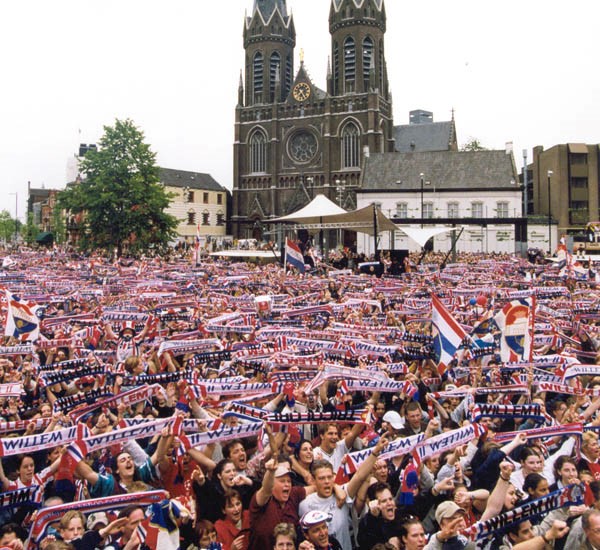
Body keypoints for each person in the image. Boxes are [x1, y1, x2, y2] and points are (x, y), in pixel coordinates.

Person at [247, 459, 315, 550]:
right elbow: (266, 490)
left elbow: (315, 488)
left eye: (289, 481)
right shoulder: (262, 500)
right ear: (272, 484)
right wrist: (271, 472)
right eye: (282, 481)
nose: (287, 484)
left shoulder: (293, 495)